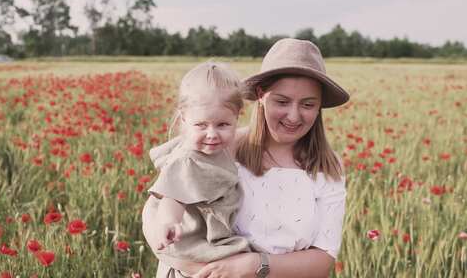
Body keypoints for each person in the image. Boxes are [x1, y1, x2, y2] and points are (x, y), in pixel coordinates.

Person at [143, 38, 350, 278]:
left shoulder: (328, 167)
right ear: (261, 95)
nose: (293, 116)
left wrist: (254, 266)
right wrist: (197, 266)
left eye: (307, 104)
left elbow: (323, 259)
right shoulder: (216, 145)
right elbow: (157, 211)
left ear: (319, 105)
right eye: (282, 101)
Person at [142, 61, 250, 278]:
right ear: (184, 118)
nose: (212, 134)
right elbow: (172, 198)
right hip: (194, 256)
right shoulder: (188, 161)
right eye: (201, 125)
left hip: (208, 248)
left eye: (223, 125)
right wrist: (168, 223)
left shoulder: (215, 149)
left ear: (236, 117)